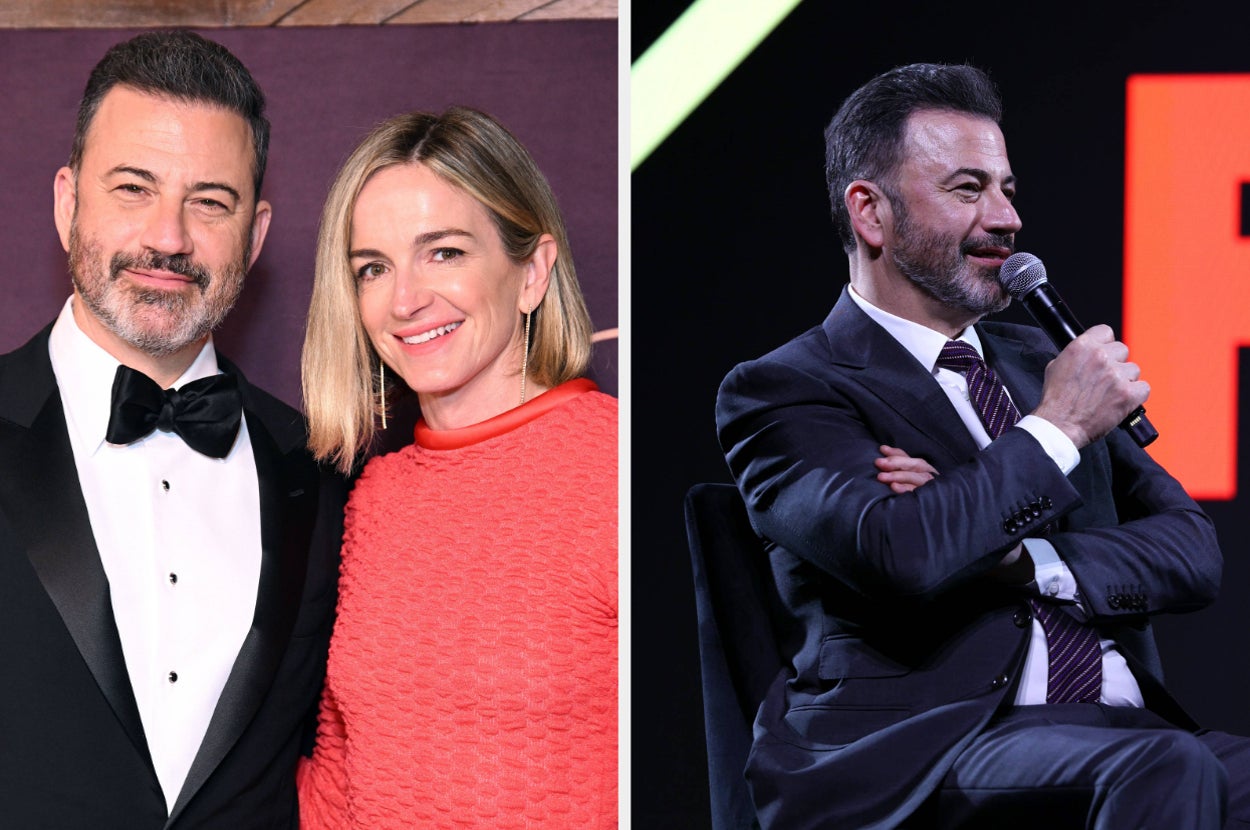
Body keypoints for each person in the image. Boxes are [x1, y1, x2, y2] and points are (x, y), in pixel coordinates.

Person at [715, 62, 1250, 829]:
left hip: (1122, 726)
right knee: (1165, 766)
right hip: (926, 752)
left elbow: (1193, 551)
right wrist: (1058, 429)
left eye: (1007, 189)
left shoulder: (1041, 364)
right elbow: (901, 552)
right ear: (871, 213)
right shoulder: (786, 388)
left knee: (1182, 761)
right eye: (968, 190)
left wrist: (1018, 556)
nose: (1006, 219)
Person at [0, 30, 344, 828]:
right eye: (133, 188)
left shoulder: (321, 471)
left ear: (254, 236)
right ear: (66, 202)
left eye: (210, 201)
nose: (168, 237)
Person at [296, 107, 617, 828]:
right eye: (373, 268)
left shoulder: (616, 467)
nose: (405, 299)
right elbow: (337, 782)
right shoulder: (371, 499)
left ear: (531, 271)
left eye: (443, 252)